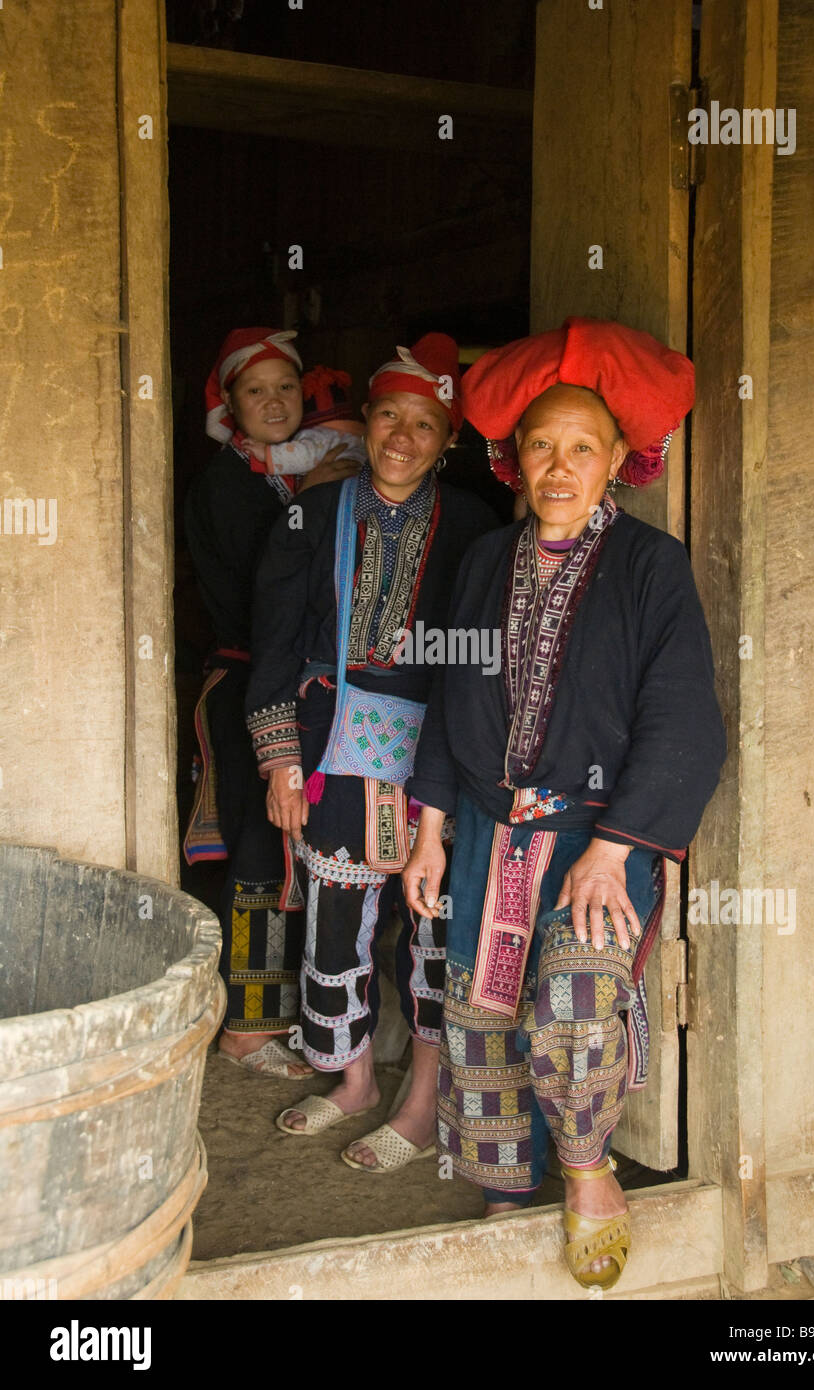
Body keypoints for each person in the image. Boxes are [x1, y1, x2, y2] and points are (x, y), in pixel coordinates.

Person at [402, 317, 726, 1289]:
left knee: (572, 1008)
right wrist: (427, 829)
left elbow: (682, 719)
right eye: (540, 444)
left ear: (617, 460)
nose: (558, 464)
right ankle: (505, 1186)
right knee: (479, 1010)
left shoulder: (649, 566)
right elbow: (445, 694)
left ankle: (588, 1172)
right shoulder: (482, 561)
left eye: (581, 447)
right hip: (487, 829)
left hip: (595, 837)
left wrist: (616, 847)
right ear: (511, 460)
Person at [246, 333, 499, 1170]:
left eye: (422, 425)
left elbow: (478, 651)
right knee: (336, 915)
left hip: (438, 752)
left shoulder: (475, 527)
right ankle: (352, 1080)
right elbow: (275, 640)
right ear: (367, 423)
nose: (401, 438)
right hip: (331, 744)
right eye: (388, 416)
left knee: (430, 925)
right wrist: (282, 757)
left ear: (447, 438)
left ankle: (422, 1104)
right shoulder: (312, 515)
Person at [184, 327, 362, 1079]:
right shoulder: (231, 486)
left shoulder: (284, 474)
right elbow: (267, 593)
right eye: (255, 391)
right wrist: (318, 498)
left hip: (300, 688)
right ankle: (248, 1027)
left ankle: (299, 1008)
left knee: (304, 845)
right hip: (250, 685)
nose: (273, 402)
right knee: (260, 848)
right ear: (229, 407)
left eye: (285, 387)